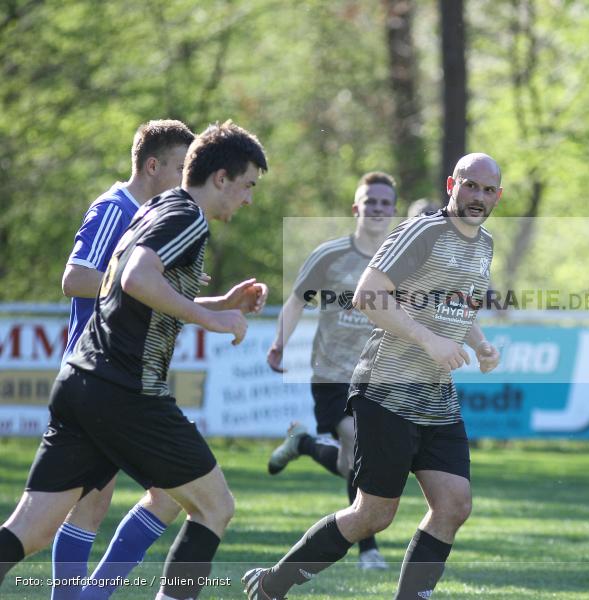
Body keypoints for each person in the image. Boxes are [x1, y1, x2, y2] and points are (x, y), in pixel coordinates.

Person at [0, 120, 269, 600]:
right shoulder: (187, 216)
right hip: (126, 391)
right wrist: (213, 322)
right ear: (221, 178)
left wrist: (221, 304)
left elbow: (138, 293)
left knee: (31, 530)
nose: (249, 199)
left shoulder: (157, 208)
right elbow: (137, 280)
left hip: (81, 381)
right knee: (213, 508)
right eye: (247, 185)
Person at [242, 153, 503, 600]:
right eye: (470, 186)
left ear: (499, 195)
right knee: (372, 514)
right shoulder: (423, 231)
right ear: (451, 185)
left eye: (487, 189)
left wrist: (477, 342)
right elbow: (368, 295)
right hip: (386, 388)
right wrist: (429, 340)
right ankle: (273, 583)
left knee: (454, 505)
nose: (478, 196)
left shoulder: (484, 244)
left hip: (435, 395)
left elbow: (457, 304)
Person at [54, 119, 195, 600]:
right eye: (181, 167)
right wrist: (140, 286)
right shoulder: (115, 209)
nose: (186, 177)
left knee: (93, 505)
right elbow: (75, 279)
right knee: (170, 492)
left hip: (117, 377)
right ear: (152, 166)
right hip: (96, 375)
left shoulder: (152, 215)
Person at [265, 171, 398, 570]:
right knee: (360, 449)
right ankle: (368, 551)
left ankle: (304, 445)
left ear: (393, 211)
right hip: (333, 375)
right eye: (370, 201)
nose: (377, 208)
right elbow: (295, 301)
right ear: (356, 207)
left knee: (352, 462)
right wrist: (277, 345)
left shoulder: (401, 260)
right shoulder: (330, 255)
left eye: (385, 203)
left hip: (379, 377)